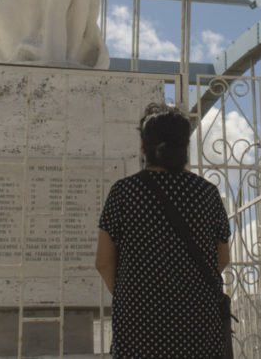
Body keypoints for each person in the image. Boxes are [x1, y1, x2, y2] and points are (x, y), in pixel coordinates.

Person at [96, 103, 231, 358]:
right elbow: (222, 259)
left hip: (138, 331)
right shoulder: (207, 194)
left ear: (143, 146)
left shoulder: (124, 193)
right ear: (185, 148)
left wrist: (136, 295)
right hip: (199, 330)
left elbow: (103, 262)